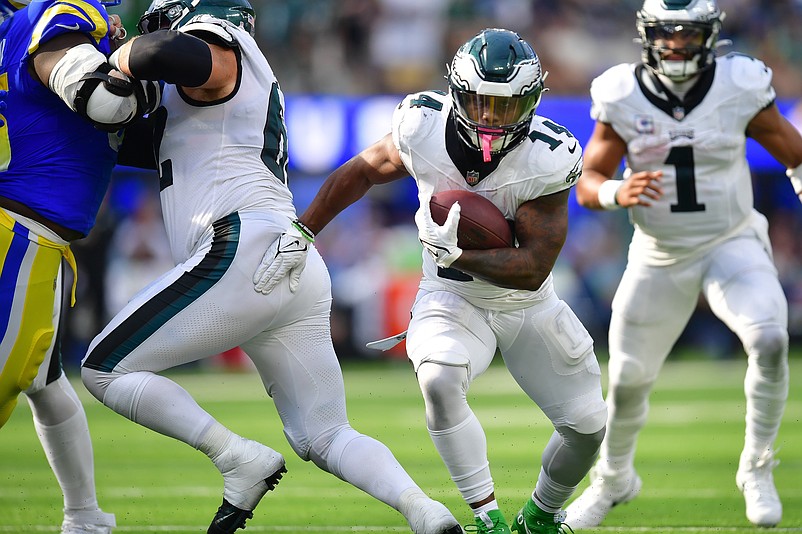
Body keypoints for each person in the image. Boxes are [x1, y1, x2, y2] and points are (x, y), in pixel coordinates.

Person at [78, 1, 464, 533]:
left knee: (104, 367)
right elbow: (130, 139)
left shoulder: (218, 43)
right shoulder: (216, 97)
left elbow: (164, 50)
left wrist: (120, 58)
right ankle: (428, 515)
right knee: (323, 436)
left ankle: (236, 457)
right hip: (289, 260)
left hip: (242, 248)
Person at [258, 28, 609, 534]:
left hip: (524, 303)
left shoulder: (547, 155)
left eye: (505, 106)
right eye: (481, 103)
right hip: (450, 295)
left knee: (587, 428)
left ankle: (541, 515)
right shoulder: (422, 124)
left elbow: (533, 269)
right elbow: (361, 171)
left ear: (531, 103)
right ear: (457, 94)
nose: (490, 118)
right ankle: (487, 520)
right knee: (440, 381)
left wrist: (461, 252)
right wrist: (303, 229)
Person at [564, 0, 802, 529]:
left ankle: (756, 467)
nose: (676, 43)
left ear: (710, 35)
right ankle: (612, 479)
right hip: (658, 253)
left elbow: (795, 153)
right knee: (626, 380)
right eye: (666, 32)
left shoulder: (739, 84)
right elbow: (587, 181)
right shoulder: (621, 92)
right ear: (647, 35)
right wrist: (616, 192)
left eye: (687, 32)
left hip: (730, 240)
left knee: (769, 339)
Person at [0, 0, 156, 531]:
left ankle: (85, 516)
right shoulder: (63, 13)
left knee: (45, 384)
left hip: (31, 234)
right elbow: (104, 104)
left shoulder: (15, 26)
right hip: (19, 234)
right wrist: (150, 63)